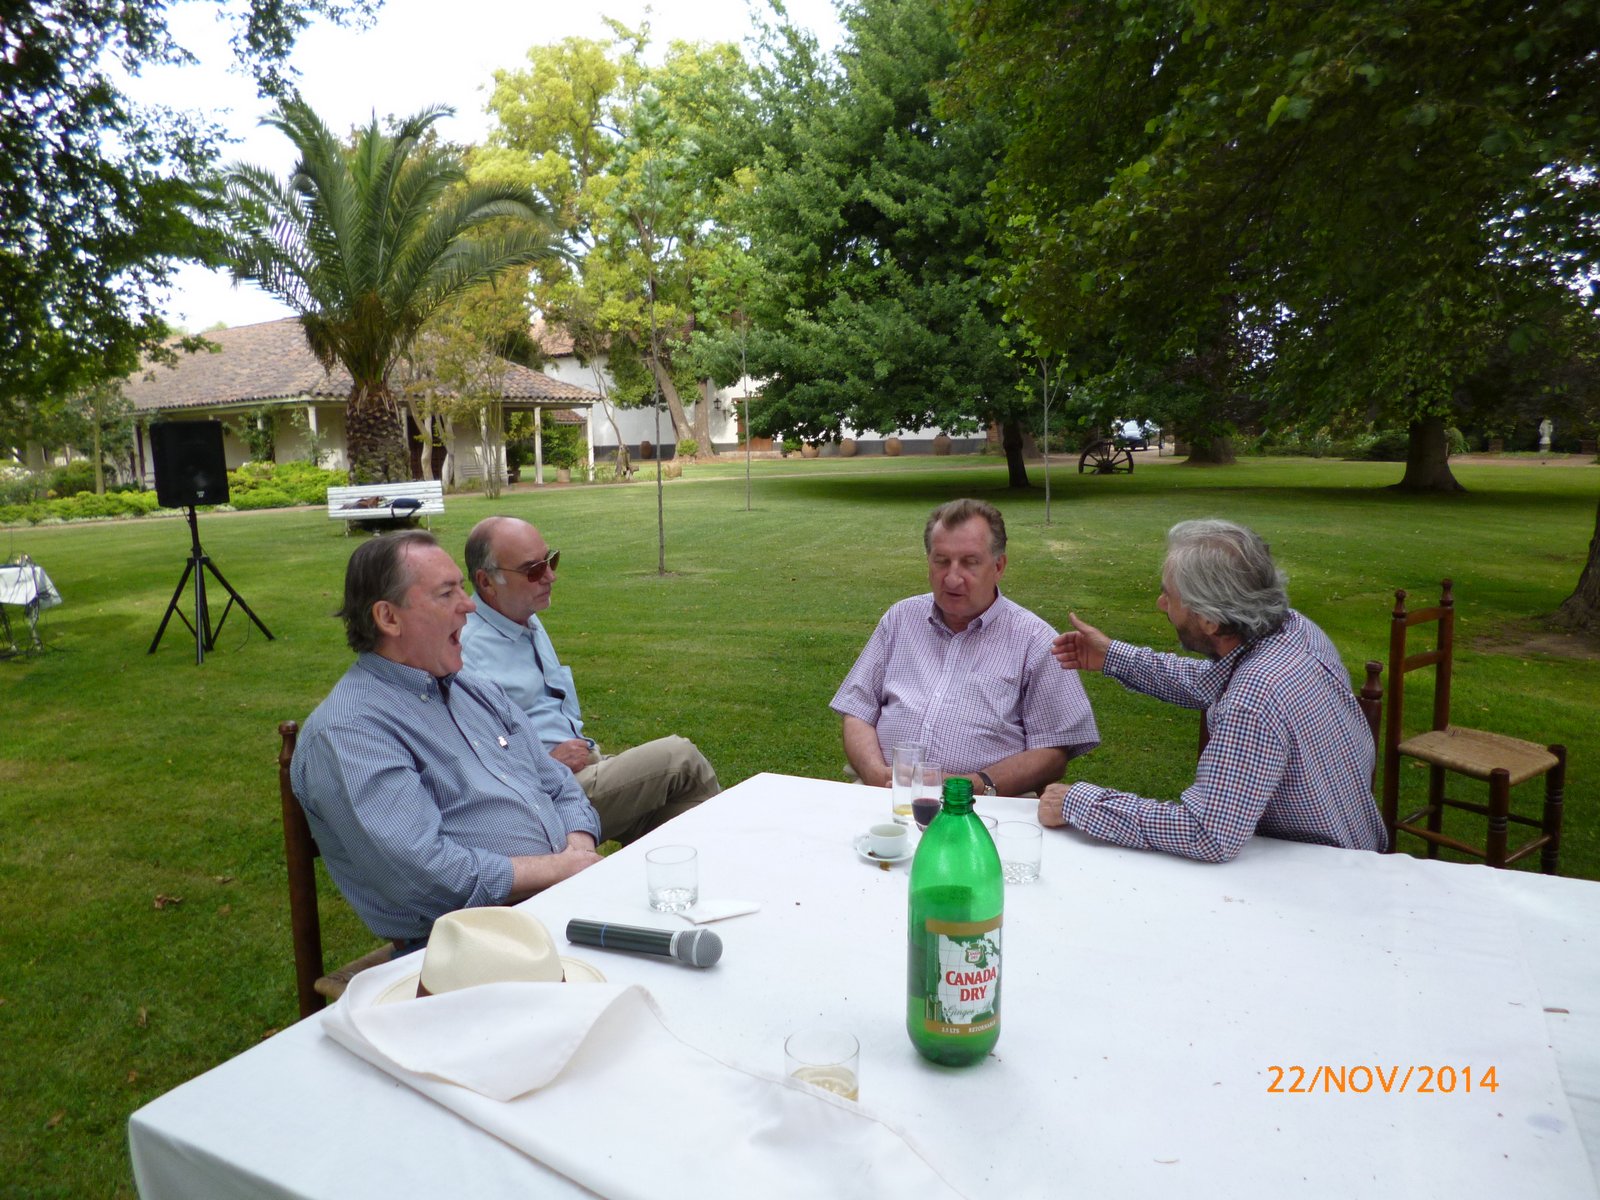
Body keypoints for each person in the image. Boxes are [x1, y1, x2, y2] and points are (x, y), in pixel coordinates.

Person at [291, 531, 603, 950]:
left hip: (559, 903)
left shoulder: (475, 690)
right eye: (447, 593)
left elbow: (560, 785)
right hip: (466, 944)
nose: (469, 604)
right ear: (388, 618)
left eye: (462, 587)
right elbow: (425, 875)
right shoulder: (352, 732)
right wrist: (560, 870)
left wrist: (576, 853)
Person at [1041, 518, 1387, 862]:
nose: (1162, 604)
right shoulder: (1295, 630)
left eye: (1169, 595)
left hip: (1324, 876)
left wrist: (1079, 802)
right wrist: (1112, 656)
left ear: (1209, 620)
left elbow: (1206, 833)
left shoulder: (1254, 698)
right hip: (1358, 851)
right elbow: (1208, 681)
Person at [459, 516, 719, 844]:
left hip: (586, 767)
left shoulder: (522, 616)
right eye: (534, 570)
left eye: (551, 560)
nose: (551, 576)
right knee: (680, 760)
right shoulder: (467, 654)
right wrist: (548, 765)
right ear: (486, 582)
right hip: (550, 793)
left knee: (678, 815)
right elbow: (469, 757)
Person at [831, 498, 1099, 797]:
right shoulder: (900, 618)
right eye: (941, 561)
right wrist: (873, 774)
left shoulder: (1035, 641)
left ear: (998, 566)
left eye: (970, 562)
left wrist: (971, 786)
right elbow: (857, 710)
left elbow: (1052, 751)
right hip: (884, 795)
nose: (952, 577)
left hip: (983, 807)